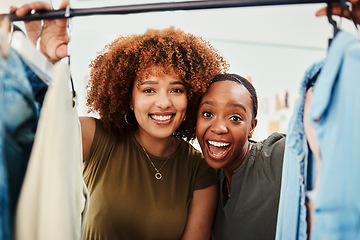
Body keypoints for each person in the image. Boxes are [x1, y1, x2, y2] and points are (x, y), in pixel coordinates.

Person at [11, 1, 229, 239]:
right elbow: (35, 135)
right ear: (129, 98)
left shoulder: (199, 169)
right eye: (149, 90)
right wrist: (45, 64)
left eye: (176, 90)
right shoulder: (95, 136)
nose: (164, 102)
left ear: (192, 97)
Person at [195, 73, 286, 240]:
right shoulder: (207, 177)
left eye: (235, 118)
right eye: (208, 114)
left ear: (252, 126)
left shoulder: (276, 157)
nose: (219, 128)